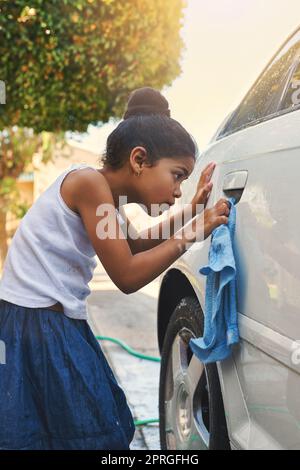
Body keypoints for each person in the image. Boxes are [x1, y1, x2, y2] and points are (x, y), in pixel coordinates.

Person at [0, 87, 230, 450]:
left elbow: (134, 245)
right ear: (139, 159)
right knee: (86, 432)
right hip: (38, 326)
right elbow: (126, 275)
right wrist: (193, 234)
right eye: (177, 175)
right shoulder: (89, 185)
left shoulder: (103, 191)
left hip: (51, 322)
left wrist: (192, 212)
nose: (177, 191)